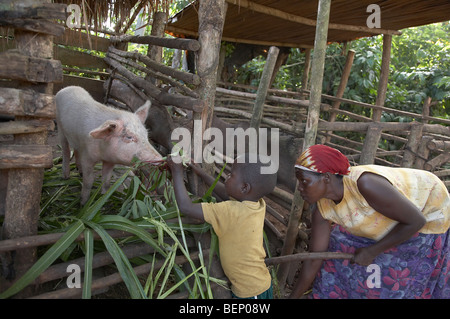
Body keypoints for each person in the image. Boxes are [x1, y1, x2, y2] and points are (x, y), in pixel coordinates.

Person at [289, 144, 450, 299]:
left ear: (326, 178)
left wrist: (372, 251)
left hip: (429, 211)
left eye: (304, 181)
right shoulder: (322, 209)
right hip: (397, 217)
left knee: (396, 276)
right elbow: (316, 258)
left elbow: (416, 221)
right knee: (340, 246)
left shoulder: (365, 184)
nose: (300, 188)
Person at [168, 153, 277, 299]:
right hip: (260, 283)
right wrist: (200, 172)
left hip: (250, 293)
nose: (226, 177)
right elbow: (226, 191)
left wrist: (176, 171)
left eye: (231, 175)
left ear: (244, 188)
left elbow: (186, 207)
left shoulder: (229, 212)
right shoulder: (257, 205)